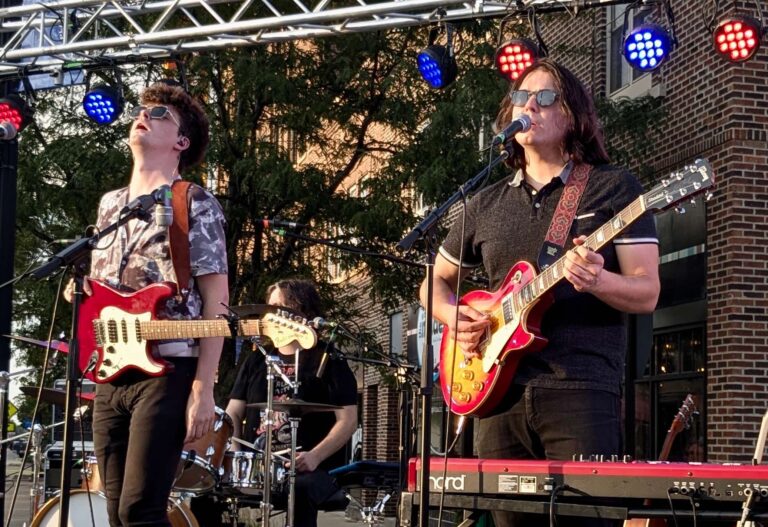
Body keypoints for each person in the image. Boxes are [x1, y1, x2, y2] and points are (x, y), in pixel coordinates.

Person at [419, 58, 660, 527]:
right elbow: (433, 281)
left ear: (572, 114)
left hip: (580, 388)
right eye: (520, 97)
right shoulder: (484, 202)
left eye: (545, 97)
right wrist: (453, 318)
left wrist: (599, 280)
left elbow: (647, 292)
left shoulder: (612, 188)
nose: (528, 104)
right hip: (496, 394)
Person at [66, 81, 229, 526]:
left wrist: (203, 388)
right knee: (115, 512)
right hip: (110, 371)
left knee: (142, 509)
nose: (145, 115)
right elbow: (100, 293)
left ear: (181, 142)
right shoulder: (109, 206)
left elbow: (217, 303)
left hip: (168, 369)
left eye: (161, 115)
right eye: (143, 110)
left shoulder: (194, 202)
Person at [224, 279, 357, 527]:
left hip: (313, 468)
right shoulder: (257, 360)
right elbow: (233, 412)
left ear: (303, 313)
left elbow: (348, 420)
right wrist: (235, 454)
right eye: (269, 307)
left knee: (300, 490)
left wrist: (315, 456)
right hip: (258, 466)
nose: (271, 314)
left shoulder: (329, 359)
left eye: (279, 307)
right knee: (208, 492)